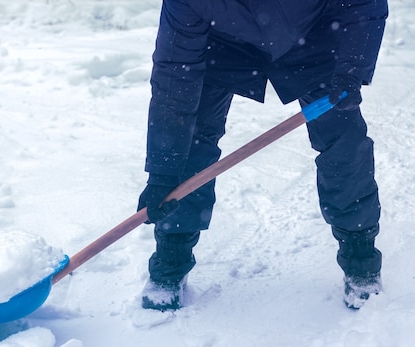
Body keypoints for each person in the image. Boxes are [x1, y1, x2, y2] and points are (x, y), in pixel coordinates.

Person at [137, 0, 388, 311]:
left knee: (343, 142)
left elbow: (364, 3)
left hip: (314, 37)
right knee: (191, 142)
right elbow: (175, 71)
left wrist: (352, 68)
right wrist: (163, 169)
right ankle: (171, 256)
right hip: (225, 44)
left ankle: (361, 257)